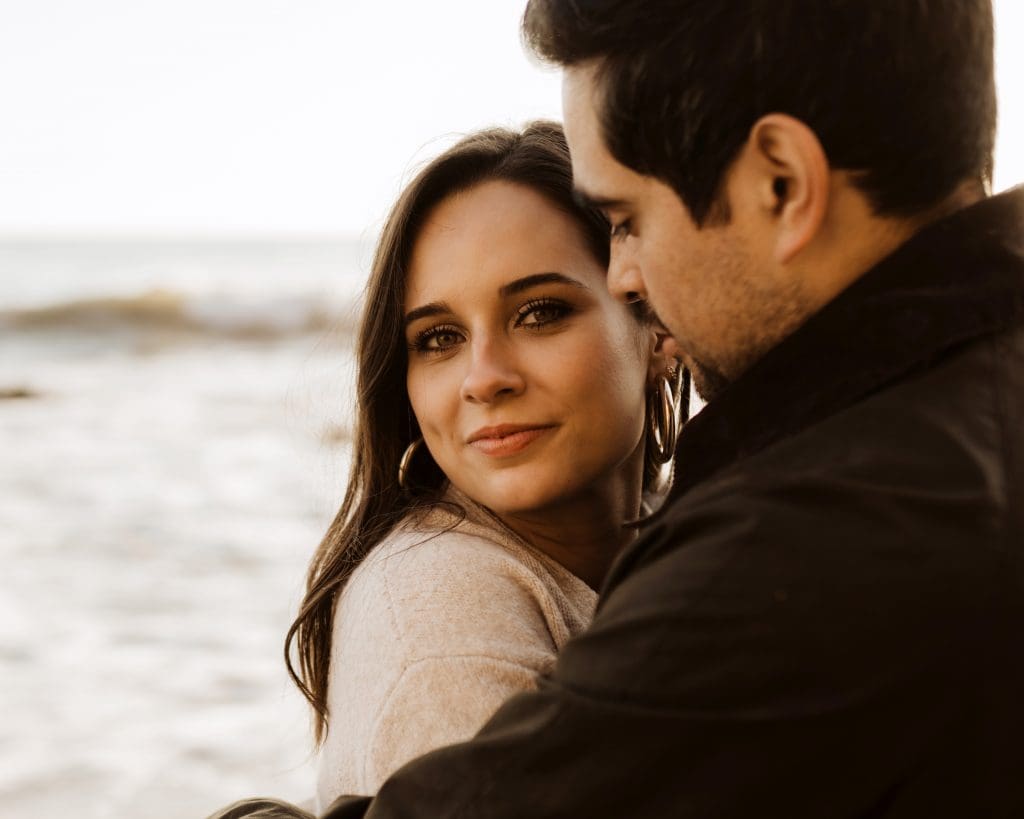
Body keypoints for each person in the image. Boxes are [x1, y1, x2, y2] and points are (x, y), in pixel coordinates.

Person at [224, 1, 1023, 815]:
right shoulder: (946, 425)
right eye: (435, 336)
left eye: (627, 222)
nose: (627, 275)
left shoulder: (820, 536)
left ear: (781, 182)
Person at [283, 122, 680, 809]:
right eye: (439, 338)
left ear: (658, 324)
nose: (484, 378)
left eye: (539, 312)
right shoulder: (441, 617)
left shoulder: (702, 531)